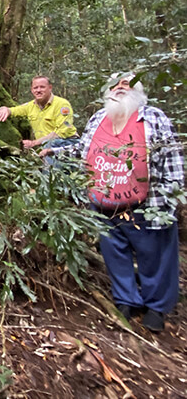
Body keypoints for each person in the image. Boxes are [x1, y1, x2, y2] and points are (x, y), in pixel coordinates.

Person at [42, 73, 184, 332]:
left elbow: (172, 158)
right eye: (115, 85)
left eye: (126, 85)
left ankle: (156, 307)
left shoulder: (153, 118)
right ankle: (126, 300)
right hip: (105, 204)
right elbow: (83, 150)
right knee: (115, 255)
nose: (120, 88)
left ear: (138, 92)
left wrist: (170, 201)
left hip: (148, 204)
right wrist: (54, 151)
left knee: (156, 257)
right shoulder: (99, 118)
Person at [0, 76, 77, 150]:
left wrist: (34, 143)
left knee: (49, 144)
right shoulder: (30, 106)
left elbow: (62, 132)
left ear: (50, 88)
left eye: (42, 87)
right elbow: (13, 110)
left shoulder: (62, 104)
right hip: (45, 145)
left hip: (68, 142)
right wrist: (4, 109)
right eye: (35, 88)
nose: (38, 90)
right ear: (32, 90)